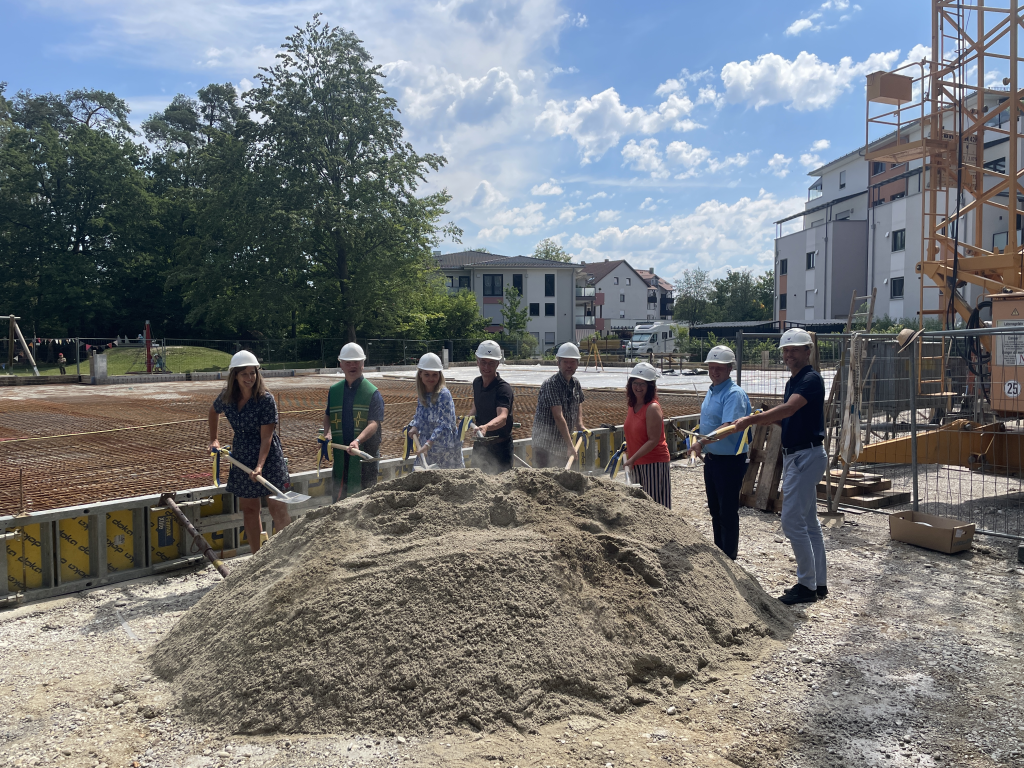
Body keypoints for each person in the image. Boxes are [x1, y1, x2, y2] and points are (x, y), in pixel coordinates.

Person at [733, 328, 827, 605]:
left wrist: (751, 421)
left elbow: (788, 410)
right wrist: (760, 417)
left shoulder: (810, 380)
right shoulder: (794, 382)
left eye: (794, 350)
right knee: (809, 523)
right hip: (799, 455)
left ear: (808, 351)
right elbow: (787, 419)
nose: (789, 355)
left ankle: (806, 586)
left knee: (791, 521)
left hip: (805, 456)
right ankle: (818, 583)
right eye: (786, 351)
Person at [208, 350, 291, 554]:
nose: (249, 378)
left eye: (253, 373)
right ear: (234, 375)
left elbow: (266, 438)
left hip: (268, 457)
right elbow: (213, 411)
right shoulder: (227, 397)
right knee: (249, 509)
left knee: (277, 507)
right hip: (242, 456)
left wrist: (260, 466)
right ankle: (257, 556)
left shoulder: (265, 400)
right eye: (244, 374)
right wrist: (214, 439)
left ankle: (285, 555)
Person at [690, 345, 752, 560]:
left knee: (727, 510)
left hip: (730, 460)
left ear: (729, 369)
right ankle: (719, 551)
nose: (714, 371)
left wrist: (701, 442)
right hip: (713, 458)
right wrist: (702, 440)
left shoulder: (733, 394)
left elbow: (728, 427)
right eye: (711, 367)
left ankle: (729, 556)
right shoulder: (713, 390)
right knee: (715, 508)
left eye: (719, 368)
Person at [324, 343, 384, 501]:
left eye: (356, 362)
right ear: (341, 364)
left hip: (364, 456)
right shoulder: (334, 391)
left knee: (364, 501)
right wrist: (327, 433)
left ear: (363, 364)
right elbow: (328, 415)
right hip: (341, 455)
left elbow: (374, 424)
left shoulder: (372, 393)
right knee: (339, 499)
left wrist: (358, 441)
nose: (352, 366)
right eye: (348, 362)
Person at [622, 362, 671, 508]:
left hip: (653, 463)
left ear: (650, 386)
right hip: (636, 461)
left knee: (655, 505)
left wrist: (632, 458)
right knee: (640, 505)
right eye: (635, 383)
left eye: (642, 384)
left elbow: (653, 440)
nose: (638, 387)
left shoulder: (652, 407)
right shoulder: (632, 405)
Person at [532, 342, 587, 468]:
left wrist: (580, 424)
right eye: (565, 362)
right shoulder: (551, 384)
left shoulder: (575, 383)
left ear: (577, 364)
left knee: (563, 482)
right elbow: (558, 415)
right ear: (558, 363)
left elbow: (578, 402)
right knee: (546, 482)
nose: (569, 365)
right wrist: (570, 445)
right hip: (545, 445)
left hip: (562, 443)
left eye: (572, 362)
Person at [407, 352, 465, 469]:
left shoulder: (443, 395)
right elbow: (419, 416)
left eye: (435, 374)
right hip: (426, 448)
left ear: (440, 375)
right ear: (420, 375)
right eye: (427, 374)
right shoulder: (423, 395)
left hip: (444, 450)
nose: (431, 378)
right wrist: (414, 426)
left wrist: (429, 443)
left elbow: (445, 425)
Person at [469, 340, 515, 474]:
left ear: (497, 364)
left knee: (501, 487)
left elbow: (502, 417)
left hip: (500, 447)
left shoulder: (503, 389)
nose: (486, 367)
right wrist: (468, 418)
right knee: (477, 484)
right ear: (477, 361)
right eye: (483, 362)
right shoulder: (477, 383)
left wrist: (486, 427)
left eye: (491, 363)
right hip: (480, 446)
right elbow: (477, 405)